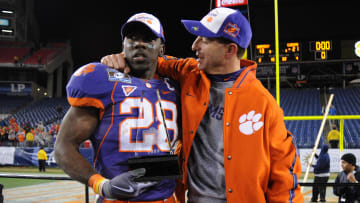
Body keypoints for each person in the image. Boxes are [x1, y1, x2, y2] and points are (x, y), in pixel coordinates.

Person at [101, 7, 304, 202]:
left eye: (204, 40)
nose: (194, 45)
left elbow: (285, 175)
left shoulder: (263, 102)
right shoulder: (189, 73)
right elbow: (155, 61)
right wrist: (122, 58)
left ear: (230, 50)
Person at [54, 12, 179, 203]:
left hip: (166, 198)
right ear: (123, 46)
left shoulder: (177, 86)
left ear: (161, 49)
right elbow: (64, 145)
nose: (139, 44)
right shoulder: (101, 80)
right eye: (132, 38)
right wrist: (102, 185)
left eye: (148, 39)